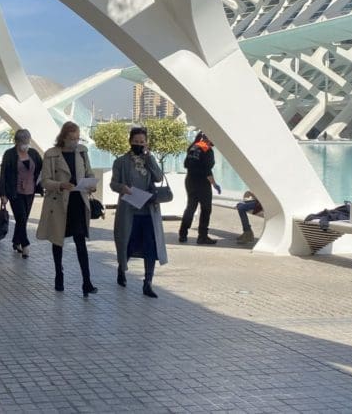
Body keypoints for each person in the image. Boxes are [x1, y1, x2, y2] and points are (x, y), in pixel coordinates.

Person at [36, 121, 98, 297]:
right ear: (63, 137)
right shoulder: (51, 155)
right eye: (72, 138)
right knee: (58, 240)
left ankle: (87, 281)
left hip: (78, 200)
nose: (75, 141)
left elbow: (89, 173)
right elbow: (45, 180)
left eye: (77, 138)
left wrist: (91, 184)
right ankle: (59, 275)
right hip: (59, 203)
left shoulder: (82, 152)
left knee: (80, 241)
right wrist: (60, 185)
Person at [110, 127, 168, 298]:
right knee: (128, 244)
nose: (139, 145)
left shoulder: (149, 160)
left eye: (142, 142)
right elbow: (113, 184)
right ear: (130, 142)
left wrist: (149, 158)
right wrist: (123, 188)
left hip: (149, 210)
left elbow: (158, 177)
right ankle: (122, 268)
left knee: (151, 246)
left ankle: (148, 282)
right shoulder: (121, 162)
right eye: (136, 142)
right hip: (129, 210)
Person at [0, 128, 42, 257]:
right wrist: (3, 194)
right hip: (15, 192)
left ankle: (16, 241)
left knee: (23, 219)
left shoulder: (33, 153)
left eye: (27, 141)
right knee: (21, 217)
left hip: (30, 191)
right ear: (17, 141)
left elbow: (42, 167)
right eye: (23, 141)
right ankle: (25, 244)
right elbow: (3, 175)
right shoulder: (9, 154)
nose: (25, 144)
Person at [179, 131, 221, 245]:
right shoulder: (207, 150)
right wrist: (214, 184)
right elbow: (207, 170)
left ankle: (182, 234)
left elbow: (186, 164)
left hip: (190, 180)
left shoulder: (193, 147)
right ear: (209, 139)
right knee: (206, 209)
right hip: (202, 182)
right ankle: (202, 236)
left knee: (191, 208)